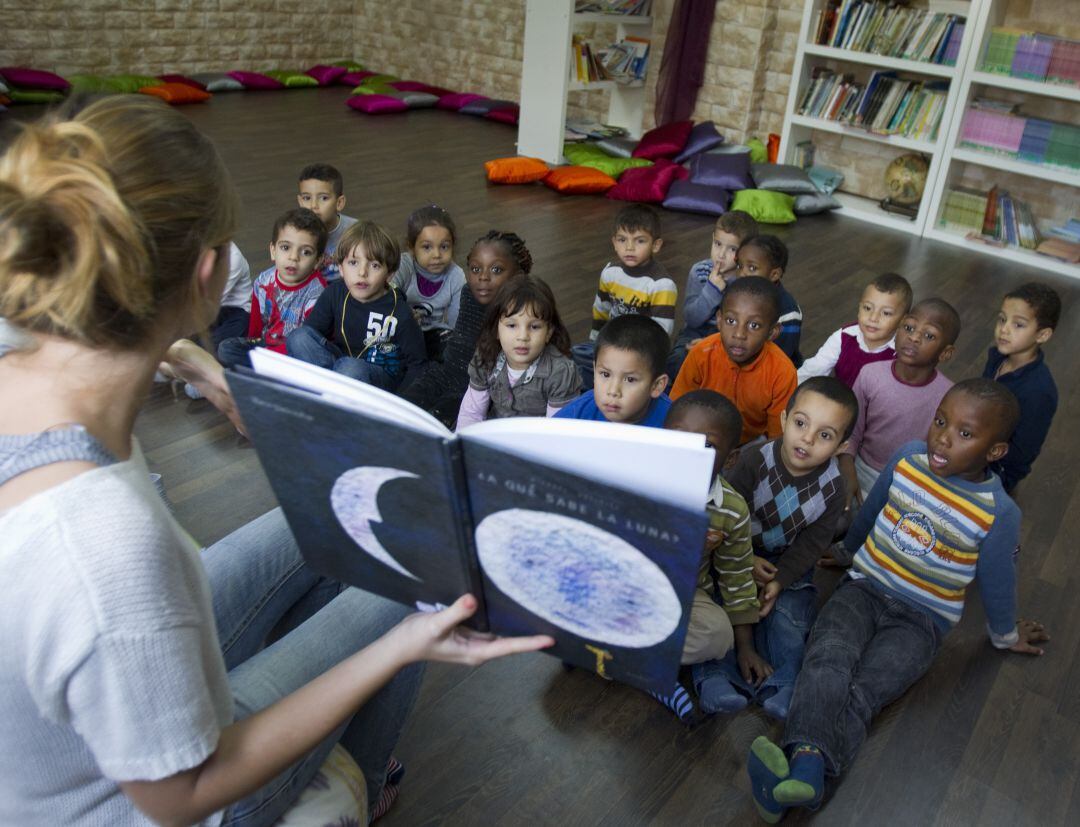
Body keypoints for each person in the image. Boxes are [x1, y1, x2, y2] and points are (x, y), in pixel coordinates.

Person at [0, 95, 552, 827]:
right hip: (140, 798)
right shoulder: (108, 540)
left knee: (347, 508)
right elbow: (180, 795)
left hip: (74, 723)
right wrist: (397, 650)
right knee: (410, 588)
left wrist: (198, 364)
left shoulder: (19, 345)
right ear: (207, 276)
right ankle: (370, 771)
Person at [747, 379, 1049, 823]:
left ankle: (799, 776)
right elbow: (873, 511)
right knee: (827, 660)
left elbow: (1000, 580)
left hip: (923, 621)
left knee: (865, 689)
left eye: (965, 434)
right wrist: (848, 551)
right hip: (863, 588)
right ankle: (809, 767)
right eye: (941, 421)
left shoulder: (999, 513)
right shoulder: (908, 458)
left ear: (995, 452)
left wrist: (1004, 635)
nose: (943, 437)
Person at [692, 377, 856, 721]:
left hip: (787, 560)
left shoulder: (833, 488)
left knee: (788, 617)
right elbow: (725, 514)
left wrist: (781, 579)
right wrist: (746, 559)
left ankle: (785, 684)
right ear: (784, 420)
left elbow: (813, 543)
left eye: (825, 435)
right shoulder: (753, 460)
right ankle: (714, 678)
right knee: (719, 604)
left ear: (842, 445)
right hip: (733, 551)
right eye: (800, 423)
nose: (807, 439)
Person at [645, 391, 765, 723]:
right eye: (678, 438)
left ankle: (621, 659)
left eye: (708, 445)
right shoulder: (638, 481)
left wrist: (745, 647)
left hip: (683, 592)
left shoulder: (732, 509)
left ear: (730, 459)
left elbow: (737, 576)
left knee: (717, 635)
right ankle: (643, 667)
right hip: (626, 584)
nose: (689, 452)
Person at [839, 298, 959, 513]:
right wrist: (848, 470)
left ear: (945, 353)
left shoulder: (949, 396)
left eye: (929, 335)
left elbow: (941, 451)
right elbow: (851, 432)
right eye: (909, 327)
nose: (913, 337)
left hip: (910, 481)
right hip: (861, 468)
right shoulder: (870, 374)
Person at [402, 230, 533, 426]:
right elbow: (458, 349)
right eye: (475, 269)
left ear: (519, 276)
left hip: (481, 391)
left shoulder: (525, 310)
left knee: (434, 424)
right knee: (401, 408)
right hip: (447, 373)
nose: (483, 277)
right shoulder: (469, 293)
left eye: (496, 270)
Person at [287, 221, 426, 391]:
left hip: (380, 378)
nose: (362, 273)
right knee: (298, 338)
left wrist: (402, 401)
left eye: (374, 265)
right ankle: (331, 391)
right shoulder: (335, 292)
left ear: (389, 274)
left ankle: (328, 393)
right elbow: (311, 335)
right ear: (341, 268)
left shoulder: (400, 312)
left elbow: (417, 364)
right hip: (341, 366)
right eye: (353, 263)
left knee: (350, 368)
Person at [671, 277, 798, 445]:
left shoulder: (782, 372)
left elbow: (777, 437)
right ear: (719, 320)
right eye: (731, 321)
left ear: (772, 332)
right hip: (700, 435)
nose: (739, 334)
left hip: (751, 444)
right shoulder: (702, 353)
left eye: (754, 325)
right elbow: (677, 406)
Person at [571, 204, 678, 389]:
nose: (629, 247)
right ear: (614, 242)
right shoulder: (610, 273)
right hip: (610, 344)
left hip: (641, 353)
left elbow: (661, 333)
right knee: (573, 355)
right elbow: (601, 309)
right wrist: (596, 342)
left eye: (639, 241)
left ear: (656, 245)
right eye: (622, 240)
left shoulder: (662, 285)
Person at [455, 276, 581, 428]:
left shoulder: (560, 373)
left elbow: (557, 432)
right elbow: (472, 413)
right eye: (512, 325)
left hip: (536, 442)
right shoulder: (486, 356)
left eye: (534, 327)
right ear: (496, 329)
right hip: (494, 435)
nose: (522, 337)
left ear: (549, 332)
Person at [217, 207, 329, 369]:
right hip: (266, 348)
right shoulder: (263, 281)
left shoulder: (317, 292)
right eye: (285, 248)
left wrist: (268, 357)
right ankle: (255, 373)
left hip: (295, 355)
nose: (293, 257)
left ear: (318, 261)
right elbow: (255, 327)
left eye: (305, 252)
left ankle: (241, 375)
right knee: (226, 348)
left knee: (302, 349)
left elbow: (310, 340)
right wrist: (255, 348)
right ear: (273, 251)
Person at [982, 282, 1060, 493]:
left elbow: (1022, 452)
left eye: (1019, 325)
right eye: (1002, 319)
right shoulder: (997, 357)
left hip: (997, 470)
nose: (1004, 329)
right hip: (979, 441)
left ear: (1042, 335)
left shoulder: (1039, 391)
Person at [666, 210, 759, 380]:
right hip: (695, 331)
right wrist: (712, 289)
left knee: (731, 370)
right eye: (717, 244)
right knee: (676, 361)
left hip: (730, 335)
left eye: (732, 249)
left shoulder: (746, 280)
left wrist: (712, 344)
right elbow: (692, 318)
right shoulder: (700, 271)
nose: (721, 255)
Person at [797, 272, 912, 388]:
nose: (873, 318)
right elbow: (812, 370)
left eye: (886, 313)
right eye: (867, 308)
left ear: (903, 320)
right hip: (841, 402)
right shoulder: (844, 336)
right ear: (859, 307)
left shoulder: (902, 354)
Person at [557, 314, 672, 427]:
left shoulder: (673, 423)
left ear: (657, 385)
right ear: (595, 369)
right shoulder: (577, 413)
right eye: (605, 374)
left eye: (630, 379)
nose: (613, 391)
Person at [392, 204, 466, 361]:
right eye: (427, 247)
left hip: (434, 334)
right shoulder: (404, 265)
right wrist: (405, 313)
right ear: (412, 247)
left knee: (453, 348)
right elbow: (388, 295)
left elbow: (457, 324)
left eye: (444, 247)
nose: (437, 255)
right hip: (401, 331)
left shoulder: (456, 275)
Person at [735, 235, 802, 366]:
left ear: (774, 274)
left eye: (752, 268)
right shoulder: (736, 294)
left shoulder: (788, 313)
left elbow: (779, 359)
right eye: (740, 266)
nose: (742, 273)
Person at [297, 163, 358, 282]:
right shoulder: (294, 233)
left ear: (339, 203)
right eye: (306, 198)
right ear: (300, 202)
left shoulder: (356, 231)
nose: (313, 206)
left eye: (323, 198)